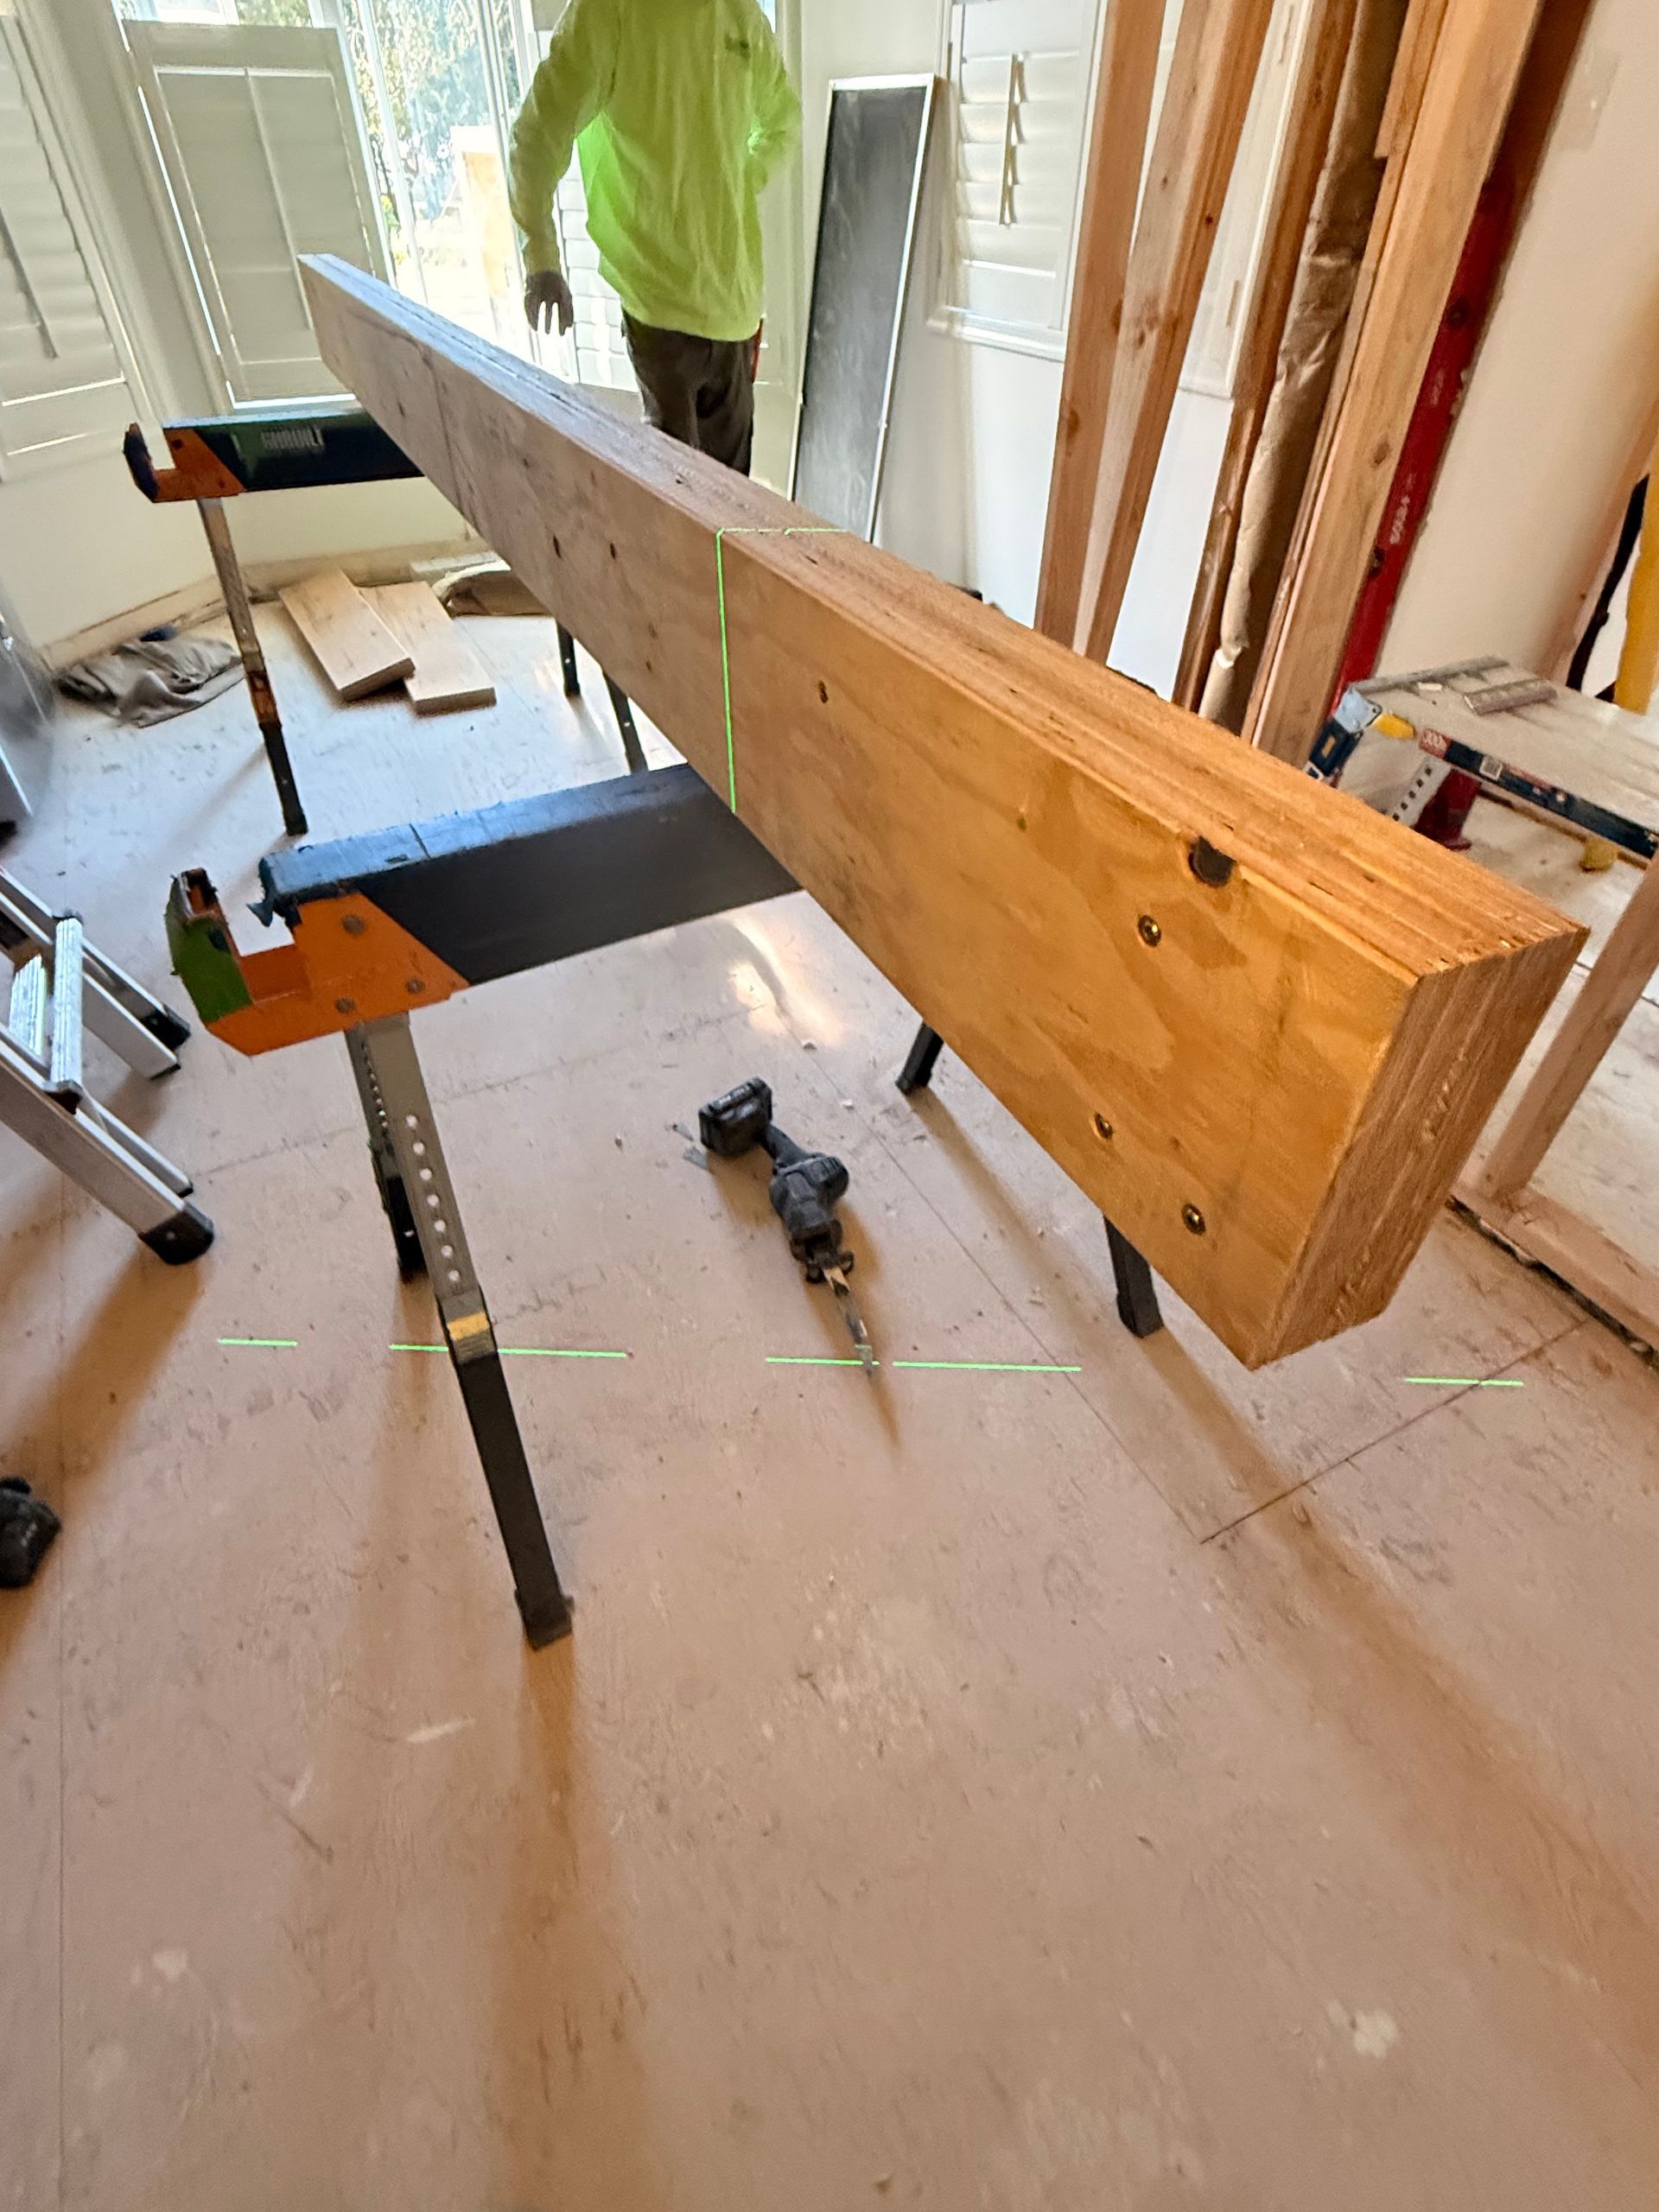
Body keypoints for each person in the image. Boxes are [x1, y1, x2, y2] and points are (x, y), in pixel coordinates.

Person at [508, 0, 800, 477]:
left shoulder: (739, 15)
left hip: (735, 307)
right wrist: (540, 257)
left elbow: (782, 122)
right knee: (676, 502)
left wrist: (743, 177)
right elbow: (537, 136)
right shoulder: (609, 15)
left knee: (731, 508)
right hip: (659, 307)